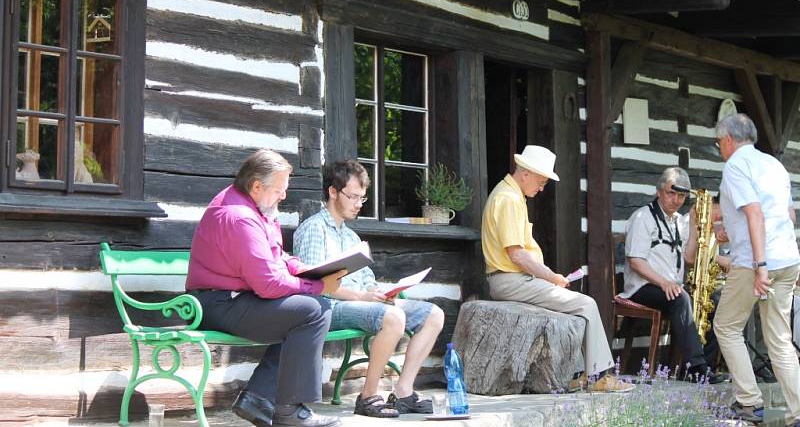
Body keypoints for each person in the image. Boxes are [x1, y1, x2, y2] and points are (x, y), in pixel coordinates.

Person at [186, 149, 344, 427]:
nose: (284, 195)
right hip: (216, 304)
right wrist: (317, 285)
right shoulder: (240, 217)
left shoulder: (254, 206)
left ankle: (259, 399)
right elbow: (269, 284)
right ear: (257, 186)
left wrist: (303, 269)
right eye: (279, 189)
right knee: (312, 310)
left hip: (234, 299)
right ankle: (289, 413)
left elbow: (274, 256)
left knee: (309, 312)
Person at [294, 160, 444, 418]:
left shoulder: (351, 237)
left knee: (434, 314)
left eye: (362, 198)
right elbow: (315, 285)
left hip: (362, 302)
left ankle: (404, 391)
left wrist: (383, 293)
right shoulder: (314, 229)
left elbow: (366, 280)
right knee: (393, 317)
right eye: (353, 196)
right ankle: (367, 397)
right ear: (332, 192)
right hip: (331, 307)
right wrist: (363, 297)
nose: (358, 204)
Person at [481, 144, 634, 393]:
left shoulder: (510, 195)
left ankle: (576, 374)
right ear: (526, 172)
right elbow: (517, 255)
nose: (541, 188)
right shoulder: (508, 199)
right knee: (586, 304)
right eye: (540, 182)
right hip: (511, 279)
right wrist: (552, 277)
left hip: (514, 279)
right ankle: (598, 376)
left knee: (572, 309)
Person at [713, 113, 800, 426]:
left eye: (718, 143)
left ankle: (749, 402)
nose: (719, 148)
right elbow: (787, 215)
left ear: (727, 140)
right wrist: (730, 228)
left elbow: (754, 213)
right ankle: (797, 413)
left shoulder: (736, 165)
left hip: (756, 261)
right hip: (788, 258)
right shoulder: (774, 165)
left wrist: (761, 265)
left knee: (726, 325)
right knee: (780, 339)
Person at [619, 166, 728, 382]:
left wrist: (695, 224)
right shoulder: (643, 217)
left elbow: (688, 258)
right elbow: (636, 261)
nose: (676, 199)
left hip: (670, 287)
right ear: (659, 191)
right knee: (680, 298)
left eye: (681, 195)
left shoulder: (679, 220)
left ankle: (702, 368)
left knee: (717, 302)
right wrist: (664, 282)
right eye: (671, 193)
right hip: (643, 287)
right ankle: (696, 368)